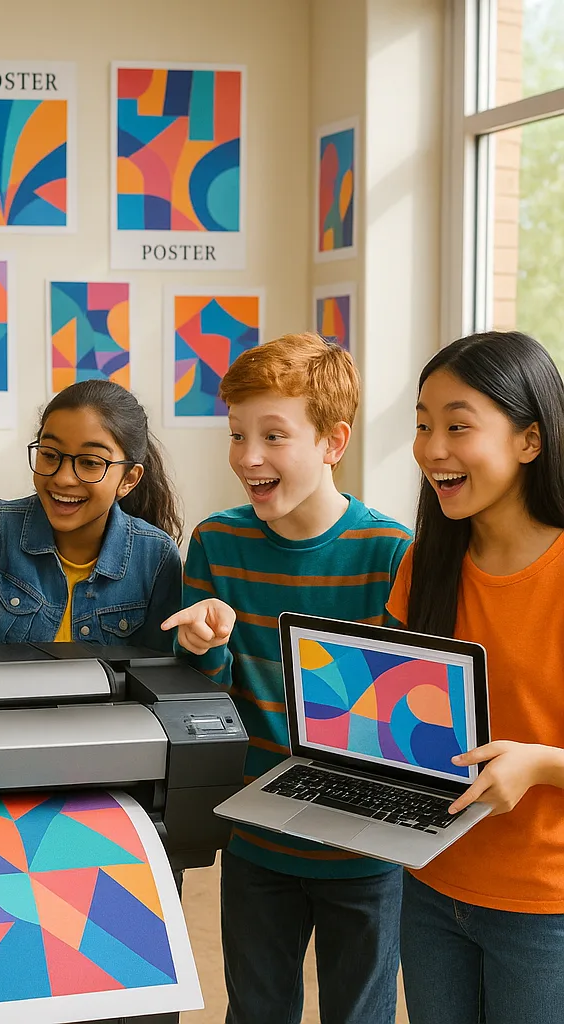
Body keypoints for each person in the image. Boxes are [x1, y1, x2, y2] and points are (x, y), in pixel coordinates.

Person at [162, 333, 411, 1024]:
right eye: (238, 433)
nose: (248, 456)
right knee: (255, 1011)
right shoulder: (216, 542)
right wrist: (208, 647)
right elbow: (207, 700)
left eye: (274, 435)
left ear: (334, 443)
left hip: (364, 851)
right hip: (257, 839)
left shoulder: (390, 553)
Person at [387, 331, 564, 1024]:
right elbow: (407, 713)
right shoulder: (426, 562)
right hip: (430, 881)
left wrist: (541, 765)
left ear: (530, 440)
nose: (433, 448)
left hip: (544, 904)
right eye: (424, 425)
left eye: (458, 425)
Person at [0, 379, 183, 662]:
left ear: (129, 479)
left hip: (110, 708)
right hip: (9, 704)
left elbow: (157, 671)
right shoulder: (2, 526)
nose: (62, 478)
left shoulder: (156, 557)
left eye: (90, 462)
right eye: (49, 455)